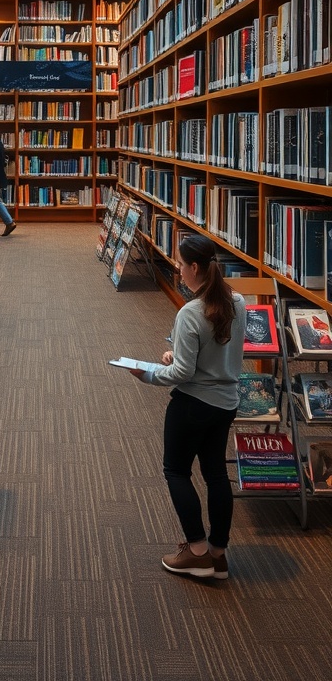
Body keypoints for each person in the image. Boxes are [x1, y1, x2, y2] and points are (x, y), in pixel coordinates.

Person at [128, 233, 246, 579]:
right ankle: (218, 554)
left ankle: (196, 551)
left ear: (195, 267)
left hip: (193, 404)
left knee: (176, 471)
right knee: (215, 474)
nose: (178, 271)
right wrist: (178, 356)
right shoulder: (237, 302)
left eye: (180, 264)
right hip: (226, 404)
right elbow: (219, 350)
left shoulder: (191, 313)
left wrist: (147, 373)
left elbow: (182, 373)